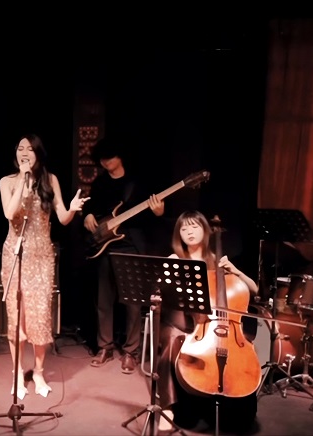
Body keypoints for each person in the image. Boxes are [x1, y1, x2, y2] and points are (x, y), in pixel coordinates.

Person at [0, 133, 87, 399]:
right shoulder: (7, 181)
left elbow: (62, 218)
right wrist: (23, 183)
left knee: (40, 317)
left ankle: (38, 372)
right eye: (20, 148)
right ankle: (17, 373)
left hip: (42, 257)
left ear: (38, 153)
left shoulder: (51, 180)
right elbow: (9, 213)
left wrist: (72, 209)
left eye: (30, 149)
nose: (24, 152)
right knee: (16, 317)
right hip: (15, 254)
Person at [156, 211, 259, 431]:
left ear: (205, 230)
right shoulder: (175, 259)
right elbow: (161, 293)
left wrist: (235, 271)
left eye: (194, 226)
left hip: (212, 325)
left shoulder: (217, 261)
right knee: (172, 337)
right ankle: (167, 405)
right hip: (181, 321)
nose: (189, 232)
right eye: (184, 228)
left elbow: (253, 289)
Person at [82, 137, 164, 374]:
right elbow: (90, 208)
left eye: (110, 157)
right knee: (103, 300)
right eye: (102, 158)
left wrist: (159, 211)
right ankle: (104, 347)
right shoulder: (100, 183)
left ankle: (131, 351)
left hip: (131, 246)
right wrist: (88, 215)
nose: (105, 162)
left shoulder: (138, 182)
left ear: (120, 156)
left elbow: (154, 214)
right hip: (105, 247)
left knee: (133, 303)